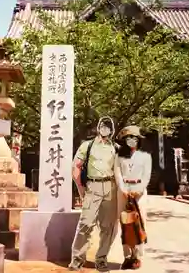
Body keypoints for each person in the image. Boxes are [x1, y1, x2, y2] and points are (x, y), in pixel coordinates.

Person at [68, 116, 118, 272]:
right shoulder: (87, 146)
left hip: (111, 188)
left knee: (107, 227)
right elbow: (76, 168)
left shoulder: (116, 148)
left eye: (109, 126)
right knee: (85, 224)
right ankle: (77, 260)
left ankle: (101, 259)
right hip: (92, 186)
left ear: (112, 130)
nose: (105, 129)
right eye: (103, 125)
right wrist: (81, 190)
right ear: (98, 127)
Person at [114, 125, 152, 270]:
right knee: (125, 224)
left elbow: (146, 176)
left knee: (139, 223)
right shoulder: (119, 156)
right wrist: (123, 189)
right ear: (124, 140)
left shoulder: (145, 156)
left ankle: (137, 256)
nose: (131, 140)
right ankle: (127, 256)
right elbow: (117, 174)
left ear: (138, 140)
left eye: (134, 138)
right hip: (123, 192)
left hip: (139, 193)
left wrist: (138, 189)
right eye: (128, 138)